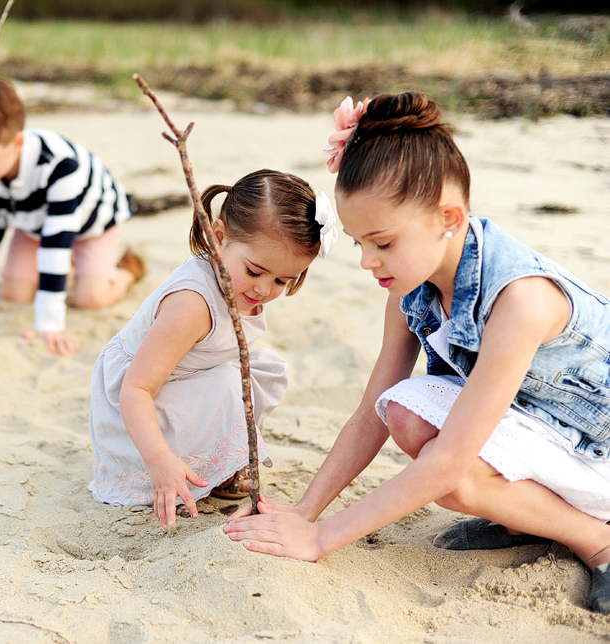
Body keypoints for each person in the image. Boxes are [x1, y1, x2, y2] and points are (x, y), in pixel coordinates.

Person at [224, 92, 610, 615]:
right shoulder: (410, 283)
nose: (366, 260)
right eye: (359, 242)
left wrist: (321, 540)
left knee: (452, 471)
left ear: (448, 217)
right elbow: (371, 413)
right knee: (403, 411)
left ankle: (596, 541)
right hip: (547, 433)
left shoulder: (520, 300)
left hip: (597, 452)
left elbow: (447, 464)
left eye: (382, 242)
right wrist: (304, 512)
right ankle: (521, 516)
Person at [89, 169, 338, 528]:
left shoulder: (245, 288)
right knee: (228, 381)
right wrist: (160, 460)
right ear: (218, 238)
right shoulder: (191, 304)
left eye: (282, 280)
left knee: (260, 368)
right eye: (254, 271)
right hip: (140, 415)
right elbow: (136, 389)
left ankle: (218, 465)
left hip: (184, 385)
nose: (264, 290)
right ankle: (183, 464)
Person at [0, 75, 144, 356]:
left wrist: (49, 324)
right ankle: (69, 269)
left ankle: (129, 269)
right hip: (33, 224)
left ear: (18, 143)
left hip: (92, 224)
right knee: (15, 294)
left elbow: (56, 245)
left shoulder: (60, 167)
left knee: (90, 298)